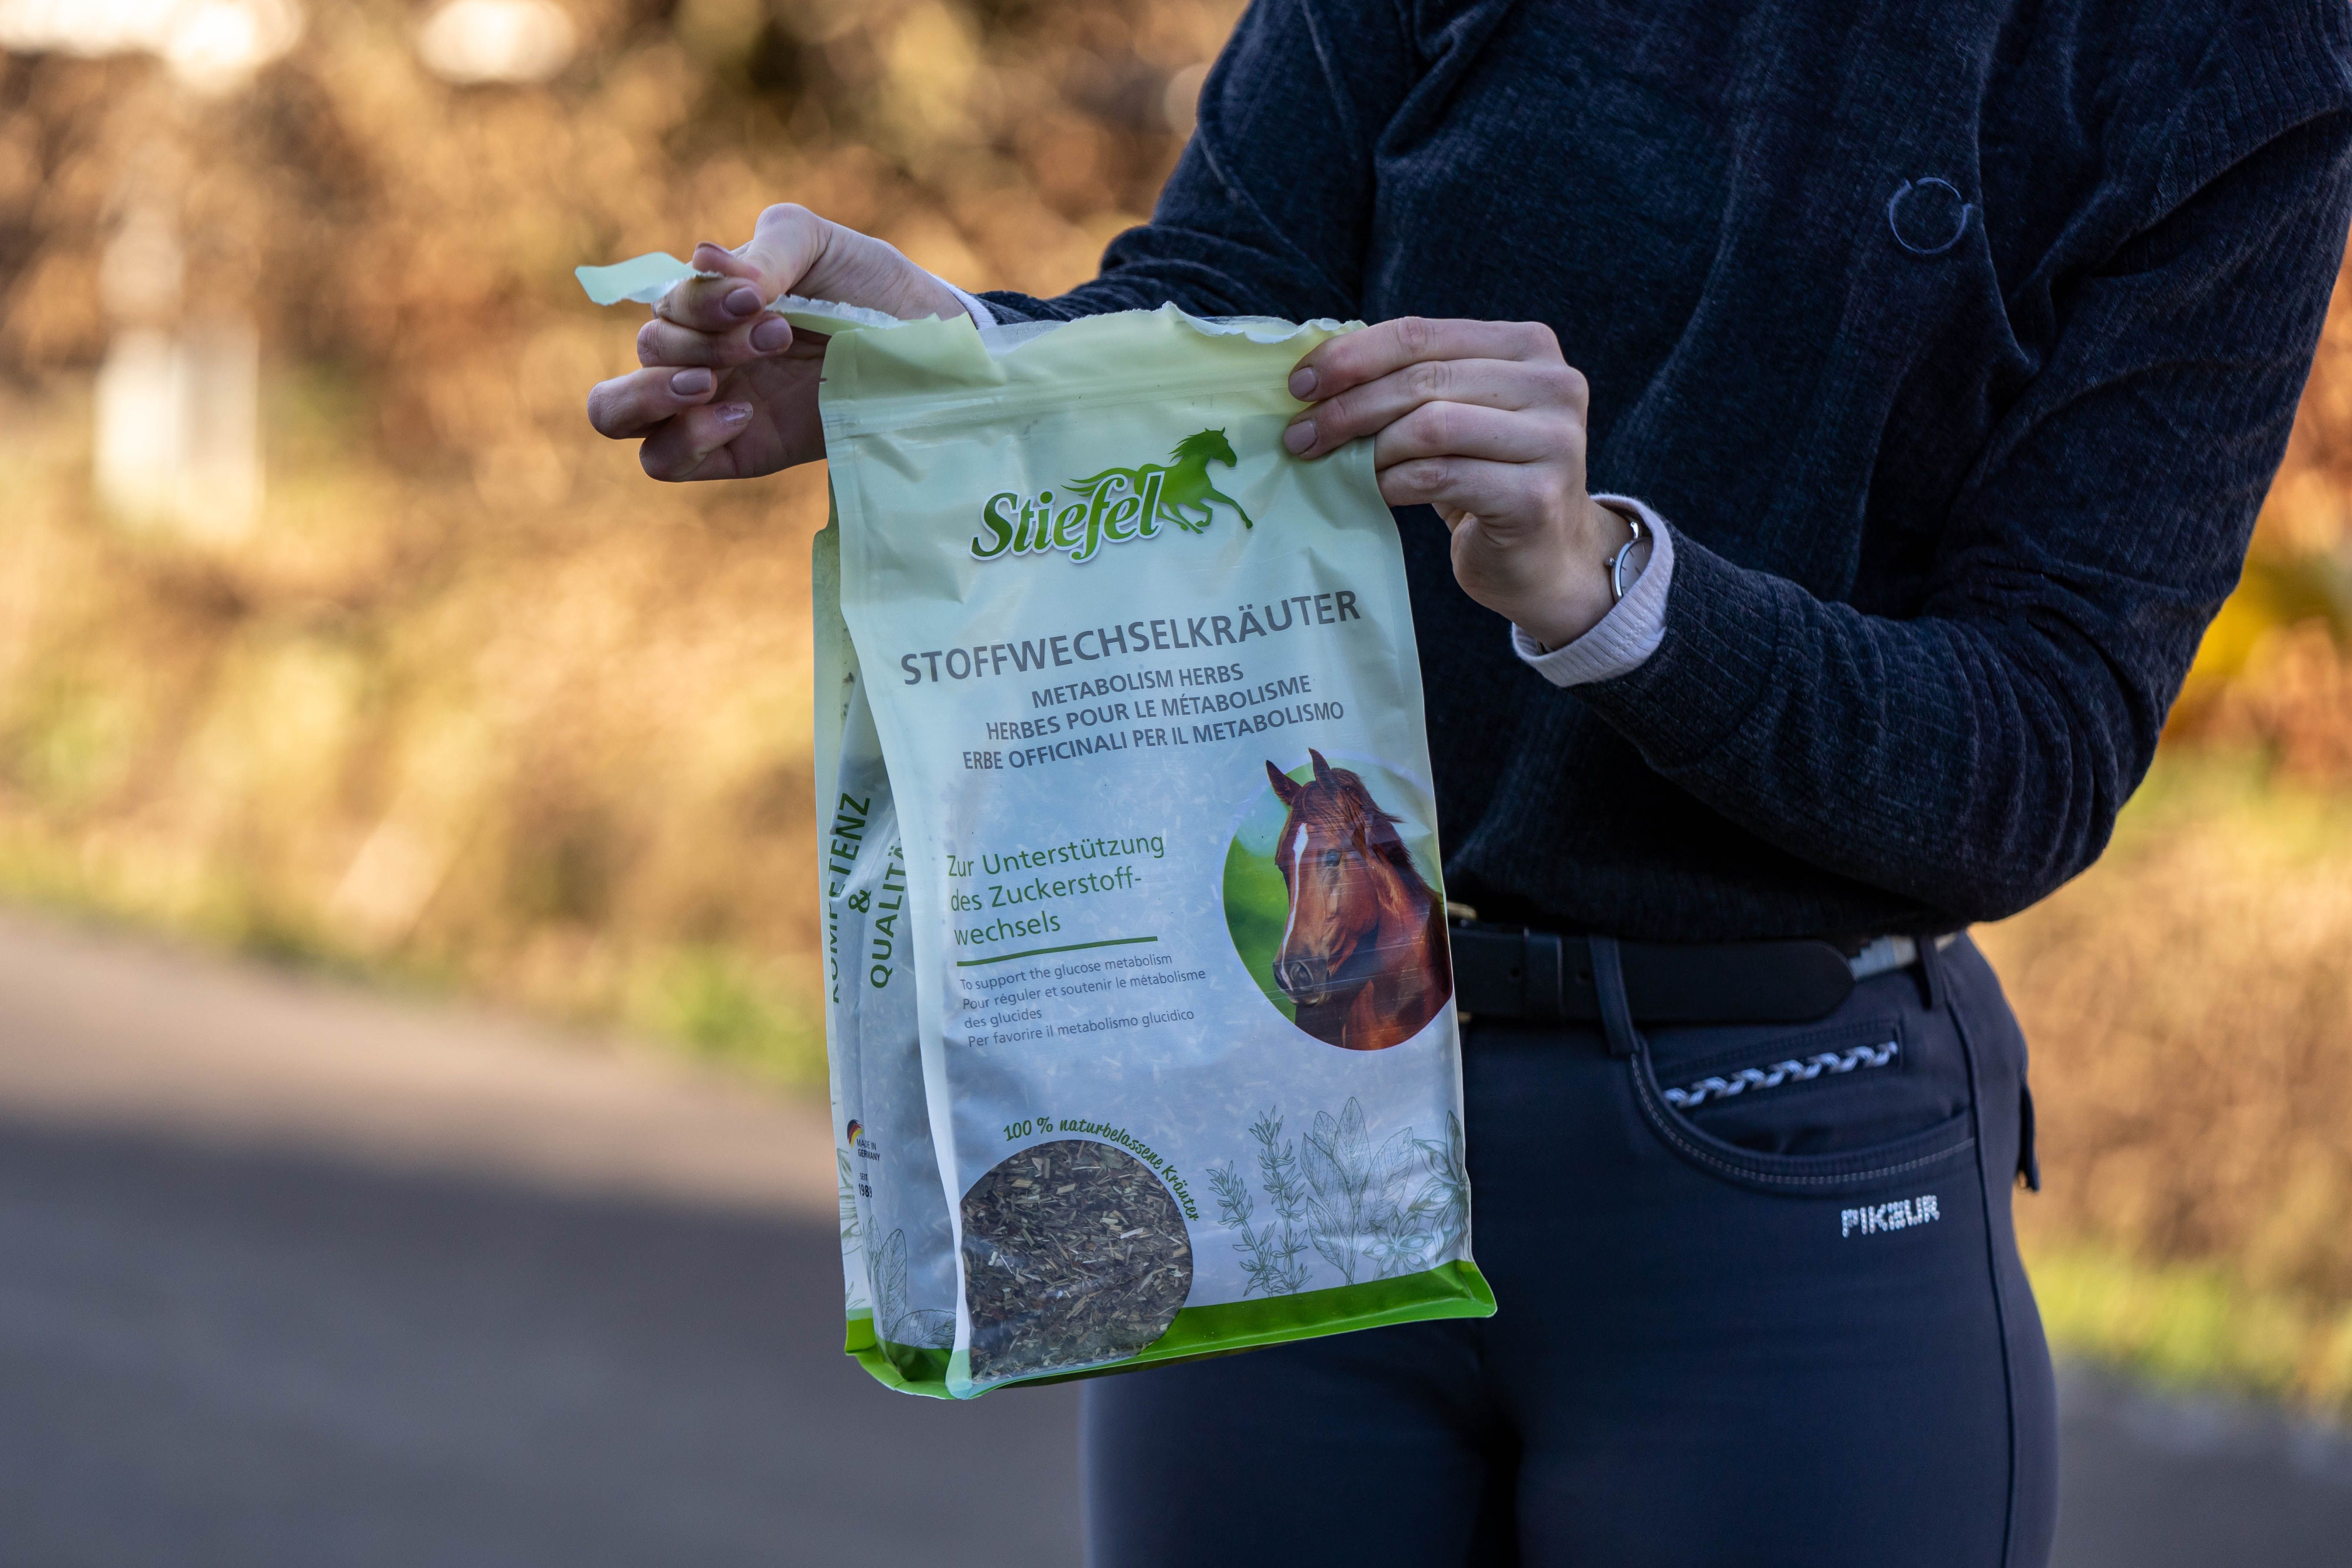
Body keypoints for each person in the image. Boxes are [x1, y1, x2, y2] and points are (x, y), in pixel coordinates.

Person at [587, 3, 2352, 1562]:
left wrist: (1613, 589)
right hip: (1288, 1117)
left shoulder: (2224, 50)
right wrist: (950, 376)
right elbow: (1218, 325)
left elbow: (2034, 745)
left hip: (1773, 1169)